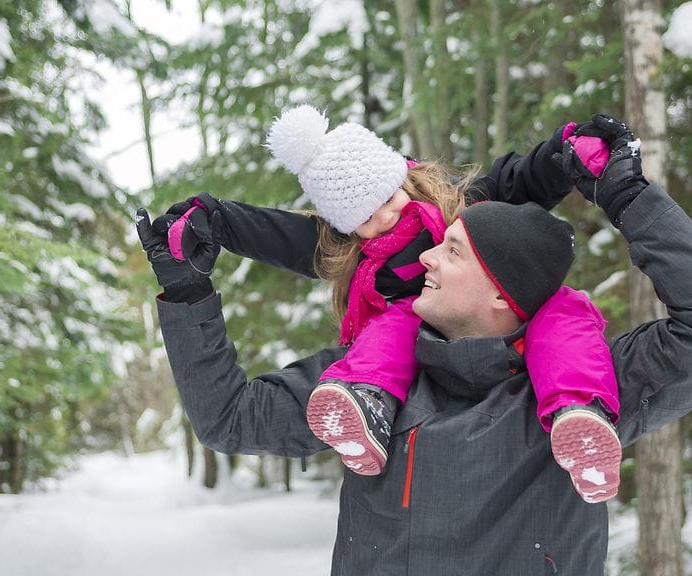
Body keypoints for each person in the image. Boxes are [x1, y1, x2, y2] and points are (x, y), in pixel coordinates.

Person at [136, 113, 692, 574]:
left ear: (499, 290)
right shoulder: (360, 383)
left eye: (452, 250)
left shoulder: (596, 381)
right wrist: (188, 291)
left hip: (564, 399)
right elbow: (229, 418)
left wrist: (625, 194)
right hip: (373, 394)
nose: (425, 255)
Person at [156, 105, 622, 501]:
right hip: (416, 345)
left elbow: (524, 179)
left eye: (386, 197)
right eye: (364, 218)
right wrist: (214, 220)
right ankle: (364, 401)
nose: (383, 217)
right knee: (398, 321)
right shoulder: (357, 259)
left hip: (511, 316)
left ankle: (580, 414)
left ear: (402, 174)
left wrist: (567, 155)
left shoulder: (461, 203)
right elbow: (278, 235)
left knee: (564, 314)